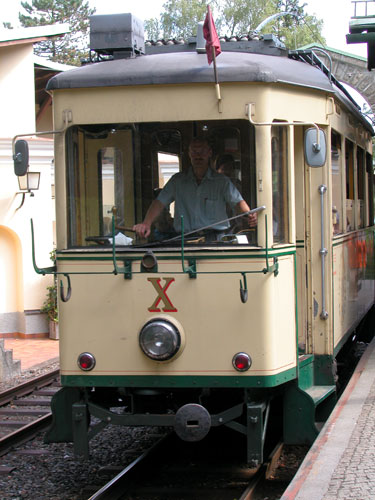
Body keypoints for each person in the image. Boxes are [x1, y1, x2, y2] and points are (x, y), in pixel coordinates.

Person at [133, 138, 257, 239]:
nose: (198, 156)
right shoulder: (177, 181)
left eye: (202, 151)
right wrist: (146, 223)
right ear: (189, 154)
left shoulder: (222, 182)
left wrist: (249, 215)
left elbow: (238, 203)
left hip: (215, 241)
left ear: (209, 153)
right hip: (184, 240)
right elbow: (159, 202)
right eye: (194, 152)